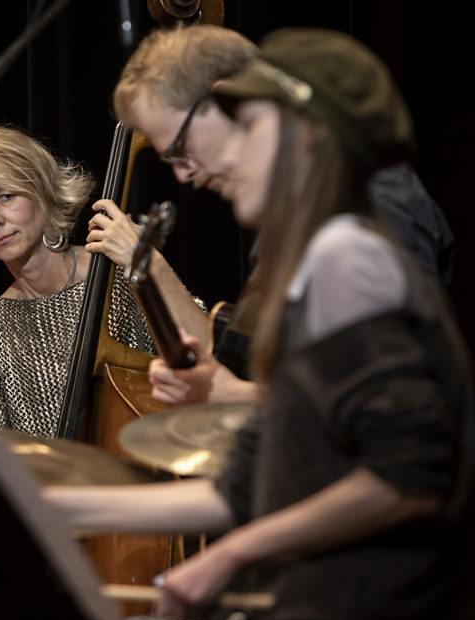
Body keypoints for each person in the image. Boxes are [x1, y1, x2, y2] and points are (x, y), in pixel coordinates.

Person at [47, 28, 473, 620]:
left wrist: (231, 553)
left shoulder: (347, 251)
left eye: (251, 122)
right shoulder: (307, 257)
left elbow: (409, 477)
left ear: (304, 132)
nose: (189, 174)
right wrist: (43, 505)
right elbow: (243, 485)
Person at [111, 24, 455, 407]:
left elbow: (396, 411)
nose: (182, 173)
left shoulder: (372, 206)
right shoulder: (288, 225)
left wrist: (234, 395)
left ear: (229, 101)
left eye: (180, 147)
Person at [0, 124, 206, 437]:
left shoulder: (117, 278)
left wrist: (147, 264)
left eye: (5, 196)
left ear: (43, 193)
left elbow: (208, 357)